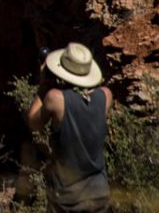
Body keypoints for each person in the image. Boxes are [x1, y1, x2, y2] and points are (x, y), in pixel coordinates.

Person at [28, 43, 112, 211]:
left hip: (67, 197)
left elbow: (33, 122)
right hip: (99, 192)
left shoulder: (55, 98)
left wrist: (44, 84)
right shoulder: (106, 96)